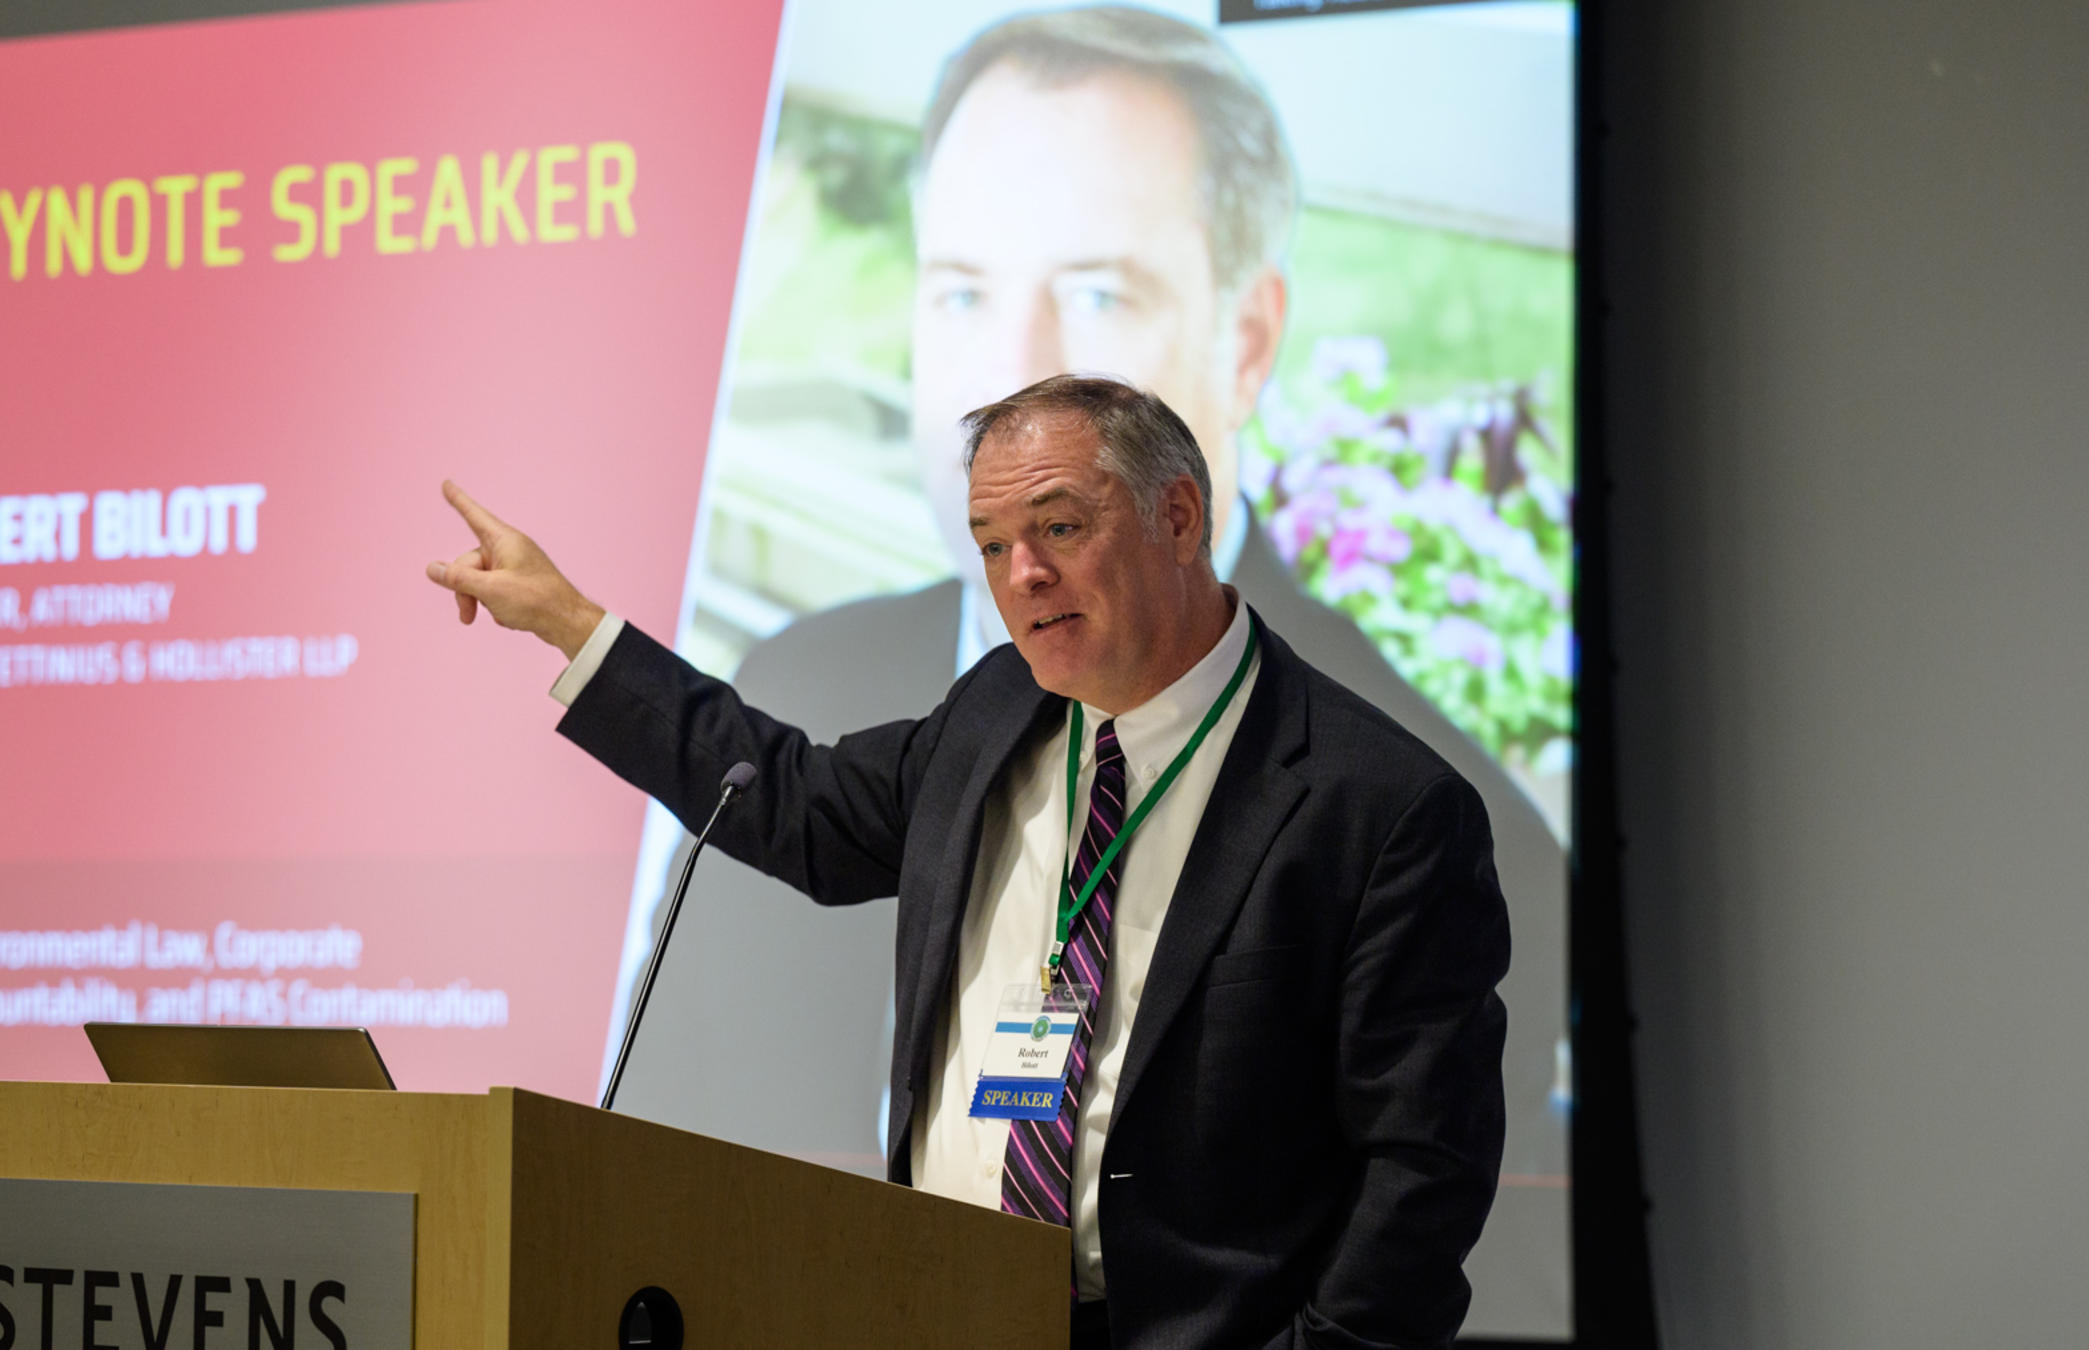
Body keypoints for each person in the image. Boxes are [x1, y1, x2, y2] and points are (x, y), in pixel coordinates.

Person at [623, 4, 1567, 1201]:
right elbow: (674, 1126)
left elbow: (1422, 1205)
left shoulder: (1424, 811)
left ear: (1249, 339)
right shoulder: (804, 677)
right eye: (963, 293)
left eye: (1101, 297)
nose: (1013, 371)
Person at [425, 375, 1510, 1348]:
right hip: (951, 1312)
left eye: (1060, 526)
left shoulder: (1382, 808)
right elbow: (790, 799)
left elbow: (1422, 1172)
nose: (1021, 574)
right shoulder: (997, 711)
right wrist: (572, 626)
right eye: (992, 543)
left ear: (1179, 517)